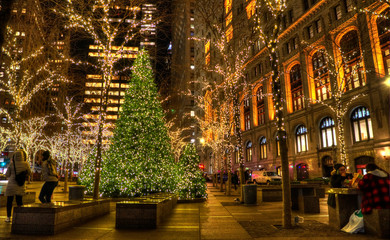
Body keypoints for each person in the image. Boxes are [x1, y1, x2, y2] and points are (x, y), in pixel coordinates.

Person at [5, 149, 31, 223]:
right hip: (20, 185)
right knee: (19, 201)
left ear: (15, 156)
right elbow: (29, 173)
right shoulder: (26, 164)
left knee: (9, 202)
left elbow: (7, 174)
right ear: (22, 156)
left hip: (11, 185)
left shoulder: (11, 164)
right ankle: (20, 217)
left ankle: (8, 217)